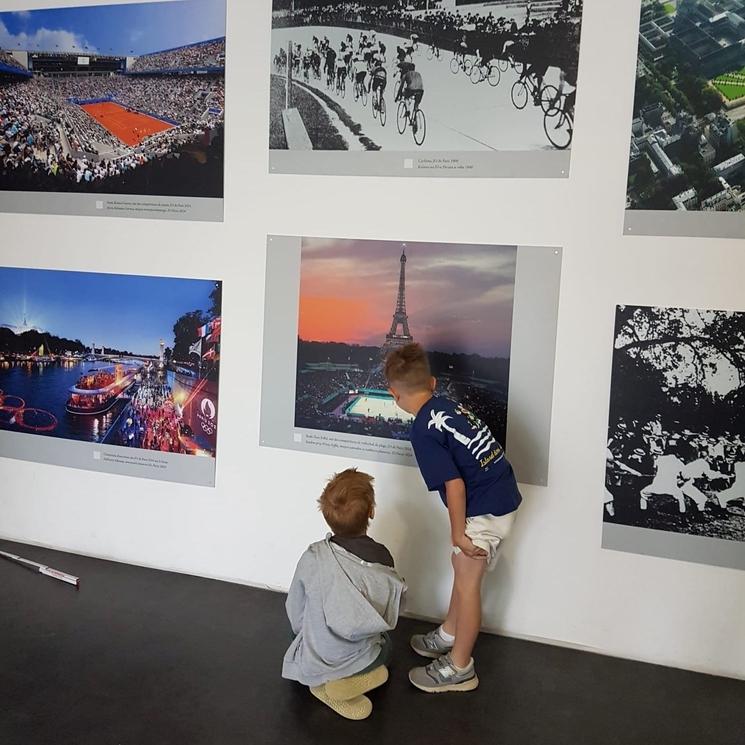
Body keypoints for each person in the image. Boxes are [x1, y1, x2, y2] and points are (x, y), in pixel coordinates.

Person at [384, 344, 522, 693]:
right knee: (462, 568)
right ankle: (448, 633)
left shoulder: (422, 431)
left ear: (393, 395)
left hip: (485, 507)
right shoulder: (446, 406)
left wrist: (459, 534)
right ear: (431, 382)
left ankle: (460, 667)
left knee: (467, 580)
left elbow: (455, 485)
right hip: (501, 494)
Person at [282, 469, 406, 720]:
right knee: (388, 646)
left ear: (326, 516)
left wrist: (304, 633)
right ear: (371, 511)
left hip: (317, 654)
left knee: (299, 630)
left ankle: (320, 681)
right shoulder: (382, 560)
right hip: (359, 653)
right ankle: (354, 677)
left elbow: (295, 607)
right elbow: (387, 611)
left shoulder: (313, 556)